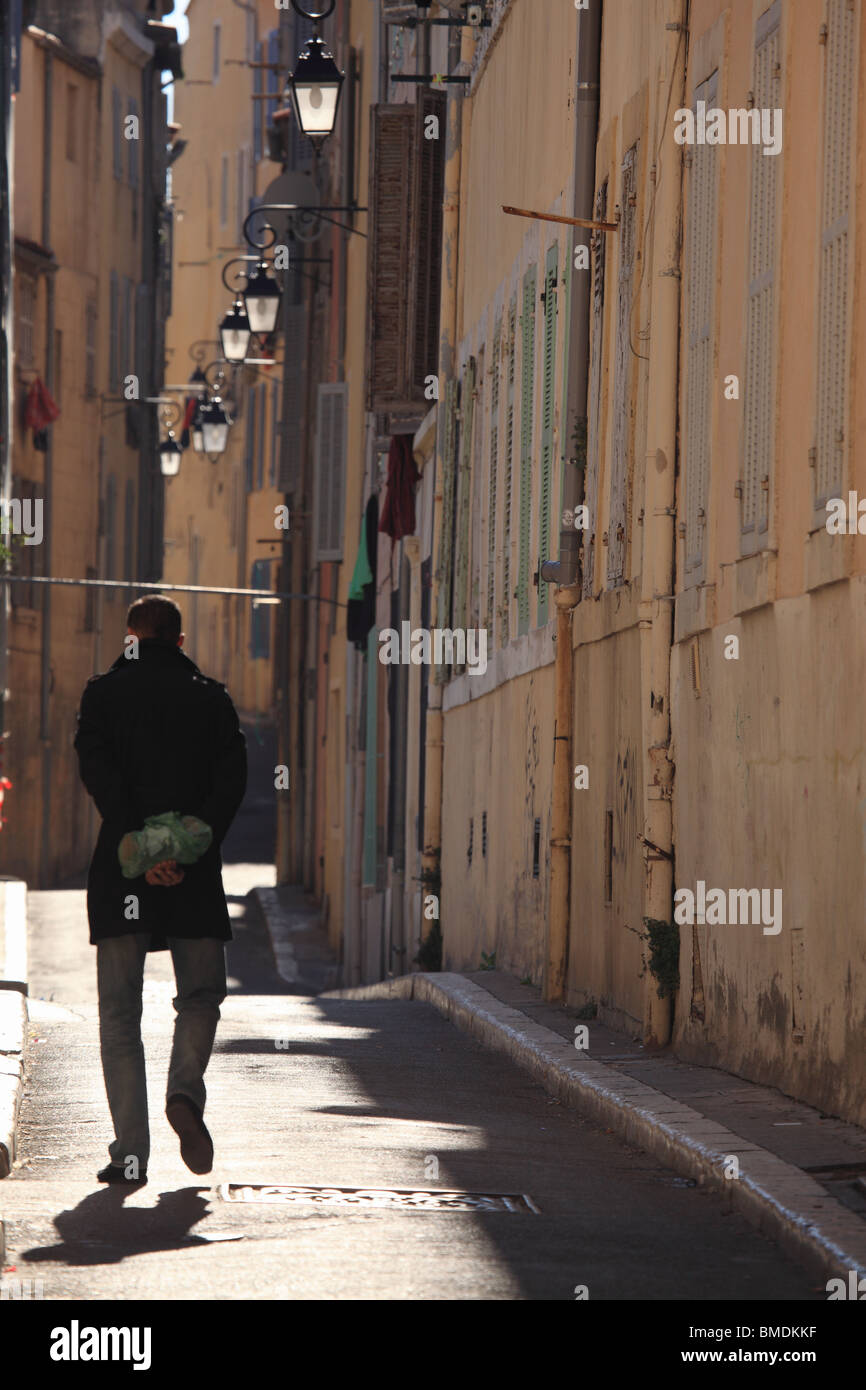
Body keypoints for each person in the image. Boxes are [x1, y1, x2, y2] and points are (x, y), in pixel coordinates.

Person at [74, 594, 247, 1185]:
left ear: (130, 637)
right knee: (200, 994)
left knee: (120, 1013)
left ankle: (130, 1152)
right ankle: (184, 1096)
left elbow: (98, 775)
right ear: (180, 640)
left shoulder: (102, 695)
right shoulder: (211, 697)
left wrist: (140, 849)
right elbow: (231, 782)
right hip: (193, 876)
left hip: (123, 874)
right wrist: (183, 846)